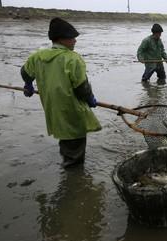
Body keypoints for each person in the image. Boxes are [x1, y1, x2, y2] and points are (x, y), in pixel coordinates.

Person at [20, 17, 101, 168]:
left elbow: (25, 72)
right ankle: (73, 176)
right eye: (72, 38)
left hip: (52, 105)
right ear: (61, 39)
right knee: (75, 136)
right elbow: (81, 87)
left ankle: (67, 159)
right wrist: (90, 98)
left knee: (64, 131)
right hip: (71, 107)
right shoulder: (73, 59)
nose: (75, 41)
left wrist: (28, 84)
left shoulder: (37, 56)